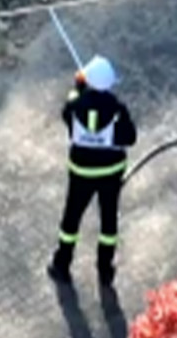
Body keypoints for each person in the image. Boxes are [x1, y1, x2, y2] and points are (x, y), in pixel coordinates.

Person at [48, 56, 137, 288]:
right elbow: (130, 138)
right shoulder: (118, 109)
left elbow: (66, 110)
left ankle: (62, 264)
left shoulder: (74, 106)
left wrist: (77, 87)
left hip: (81, 174)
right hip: (110, 175)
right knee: (108, 222)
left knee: (72, 219)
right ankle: (105, 269)